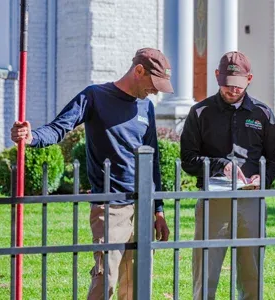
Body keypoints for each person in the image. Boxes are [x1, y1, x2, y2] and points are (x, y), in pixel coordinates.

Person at [10, 48, 172, 300]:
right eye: (155, 83)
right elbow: (59, 127)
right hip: (110, 206)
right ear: (139, 71)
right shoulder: (95, 96)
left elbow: (153, 160)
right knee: (105, 278)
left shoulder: (146, 107)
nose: (156, 90)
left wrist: (158, 210)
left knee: (138, 283)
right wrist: (31, 137)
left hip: (143, 207)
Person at [181, 51, 275, 300]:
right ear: (217, 76)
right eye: (227, 85)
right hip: (213, 199)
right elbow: (187, 160)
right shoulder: (200, 112)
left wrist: (264, 178)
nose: (233, 90)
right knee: (206, 269)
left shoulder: (263, 113)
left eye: (238, 85)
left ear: (249, 79)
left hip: (251, 199)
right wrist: (220, 165)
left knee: (252, 271)